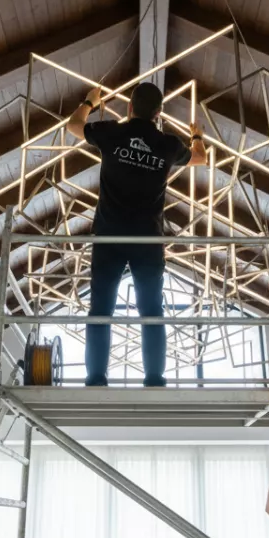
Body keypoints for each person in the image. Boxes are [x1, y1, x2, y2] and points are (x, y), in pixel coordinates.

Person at [65, 82, 208, 387]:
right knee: (152, 311)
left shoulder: (111, 132)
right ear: (158, 113)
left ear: (129, 108)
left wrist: (89, 101)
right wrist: (196, 136)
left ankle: (95, 377)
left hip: (109, 237)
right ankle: (155, 377)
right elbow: (200, 158)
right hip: (147, 240)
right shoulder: (168, 145)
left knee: (101, 308)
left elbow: (74, 126)